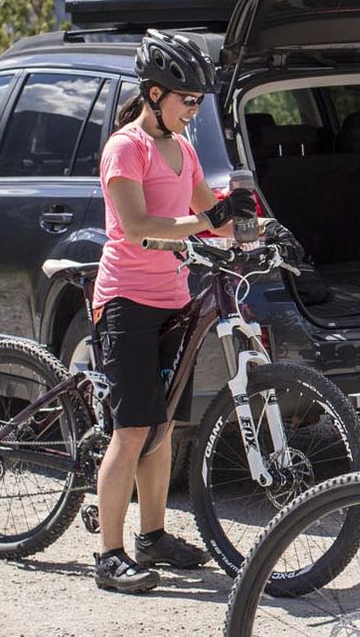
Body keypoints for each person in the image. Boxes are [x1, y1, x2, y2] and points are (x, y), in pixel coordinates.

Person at [90, 30, 254, 593]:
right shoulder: (125, 147)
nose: (194, 110)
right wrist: (205, 224)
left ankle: (152, 535)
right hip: (126, 302)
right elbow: (137, 227)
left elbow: (214, 216)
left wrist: (256, 229)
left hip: (172, 301)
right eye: (188, 100)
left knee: (161, 428)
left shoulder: (182, 149)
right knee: (132, 428)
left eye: (199, 102)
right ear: (156, 94)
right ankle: (108, 555)